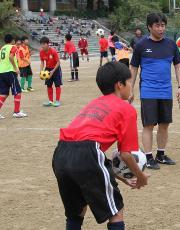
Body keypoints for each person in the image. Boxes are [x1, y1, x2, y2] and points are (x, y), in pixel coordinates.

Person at [53, 62, 149, 230]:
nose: (131, 86)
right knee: (116, 212)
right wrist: (140, 177)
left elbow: (96, 166)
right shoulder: (126, 109)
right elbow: (126, 154)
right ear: (120, 85)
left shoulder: (94, 103)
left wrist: (120, 179)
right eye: (130, 82)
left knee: (77, 209)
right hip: (87, 153)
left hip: (61, 153)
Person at [129, 12, 180, 170]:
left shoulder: (171, 44)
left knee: (164, 124)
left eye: (163, 25)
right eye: (157, 25)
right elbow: (133, 68)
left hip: (166, 91)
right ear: (149, 27)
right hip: (148, 91)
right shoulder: (141, 45)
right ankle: (148, 157)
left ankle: (161, 155)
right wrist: (130, 89)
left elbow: (178, 65)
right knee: (148, 125)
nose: (161, 28)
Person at [0, 34, 27, 119]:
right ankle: (16, 112)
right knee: (17, 91)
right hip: (10, 72)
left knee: (3, 93)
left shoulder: (2, 48)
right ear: (12, 41)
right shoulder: (13, 47)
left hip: (2, 72)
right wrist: (16, 68)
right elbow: (11, 57)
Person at [40, 36, 62, 107]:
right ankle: (50, 101)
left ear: (48, 44)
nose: (42, 46)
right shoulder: (41, 52)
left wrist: (53, 71)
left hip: (56, 69)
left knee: (57, 85)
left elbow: (58, 62)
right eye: (41, 44)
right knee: (49, 85)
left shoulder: (53, 51)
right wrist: (41, 71)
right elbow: (42, 62)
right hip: (47, 69)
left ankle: (57, 101)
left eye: (44, 44)